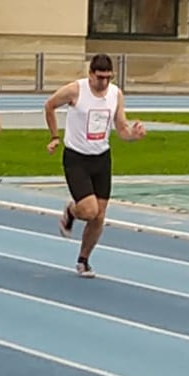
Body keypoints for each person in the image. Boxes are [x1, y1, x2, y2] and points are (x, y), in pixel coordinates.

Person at [45, 53, 144, 278]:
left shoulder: (116, 94)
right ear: (90, 74)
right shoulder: (75, 90)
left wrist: (134, 135)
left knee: (99, 216)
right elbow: (49, 106)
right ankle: (71, 210)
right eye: (100, 78)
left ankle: (83, 260)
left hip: (101, 158)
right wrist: (54, 136)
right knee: (89, 210)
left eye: (108, 78)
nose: (104, 83)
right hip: (76, 158)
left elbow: (121, 129)